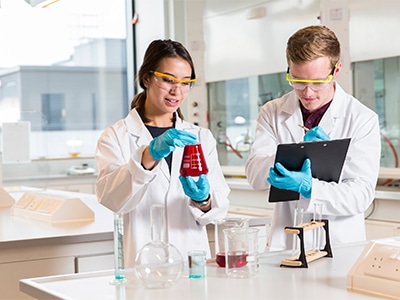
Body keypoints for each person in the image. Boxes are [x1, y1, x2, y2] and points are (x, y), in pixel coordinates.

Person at [95, 39, 230, 267]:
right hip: (144, 262)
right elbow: (112, 199)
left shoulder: (200, 137)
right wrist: (148, 156)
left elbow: (218, 211)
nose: (177, 91)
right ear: (146, 78)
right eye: (168, 80)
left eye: (186, 83)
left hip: (192, 260)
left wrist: (204, 200)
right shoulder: (116, 136)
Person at [245, 25, 381, 252]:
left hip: (338, 247)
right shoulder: (272, 113)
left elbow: (361, 195)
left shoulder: (361, 119)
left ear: (336, 71)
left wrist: (310, 188)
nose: (308, 93)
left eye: (317, 82)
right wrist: (291, 156)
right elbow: (255, 177)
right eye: (298, 81)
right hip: (285, 245)